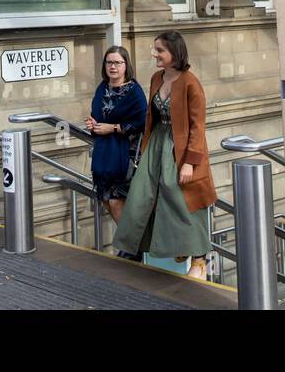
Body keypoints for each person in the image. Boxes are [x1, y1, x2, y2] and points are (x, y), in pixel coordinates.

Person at [111, 30, 217, 279]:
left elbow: (197, 127)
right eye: (155, 49)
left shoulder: (191, 83)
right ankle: (139, 248)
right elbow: (152, 117)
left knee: (180, 197)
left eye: (160, 50)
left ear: (174, 53)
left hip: (180, 147)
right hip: (156, 143)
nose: (154, 54)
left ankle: (199, 258)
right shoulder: (157, 78)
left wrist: (190, 163)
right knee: (142, 195)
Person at [84, 46, 146, 239]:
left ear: (126, 65)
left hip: (125, 155)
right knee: (105, 199)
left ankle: (132, 245)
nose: (113, 66)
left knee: (116, 201)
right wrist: (92, 123)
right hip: (104, 154)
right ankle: (130, 243)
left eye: (118, 62)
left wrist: (113, 128)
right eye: (109, 62)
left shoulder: (134, 92)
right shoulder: (102, 87)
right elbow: (97, 115)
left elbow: (142, 123)